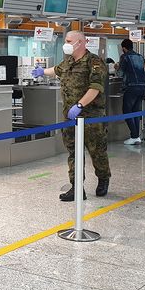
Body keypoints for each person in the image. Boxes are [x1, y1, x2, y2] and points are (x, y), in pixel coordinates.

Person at [32, 30, 110, 200]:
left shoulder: (94, 62)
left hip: (91, 117)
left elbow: (95, 88)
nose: (65, 44)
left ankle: (103, 178)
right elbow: (57, 70)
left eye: (68, 40)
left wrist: (80, 105)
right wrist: (42, 72)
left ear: (80, 43)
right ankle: (76, 188)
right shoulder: (68, 61)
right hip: (71, 117)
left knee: (96, 151)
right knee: (74, 152)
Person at [117, 39, 145, 145]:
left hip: (131, 87)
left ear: (124, 48)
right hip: (142, 86)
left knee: (127, 111)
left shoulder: (124, 57)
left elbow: (120, 74)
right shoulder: (140, 57)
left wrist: (117, 67)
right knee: (136, 112)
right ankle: (136, 136)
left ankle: (134, 136)